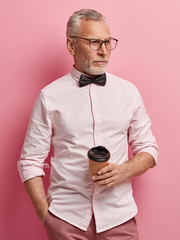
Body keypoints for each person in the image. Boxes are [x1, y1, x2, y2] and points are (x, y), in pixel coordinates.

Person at [17, 9, 159, 239]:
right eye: (94, 42)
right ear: (71, 46)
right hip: (66, 219)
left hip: (119, 217)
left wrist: (123, 171)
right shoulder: (49, 96)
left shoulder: (128, 92)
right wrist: (47, 218)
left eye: (107, 42)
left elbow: (149, 149)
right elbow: (30, 162)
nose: (103, 50)